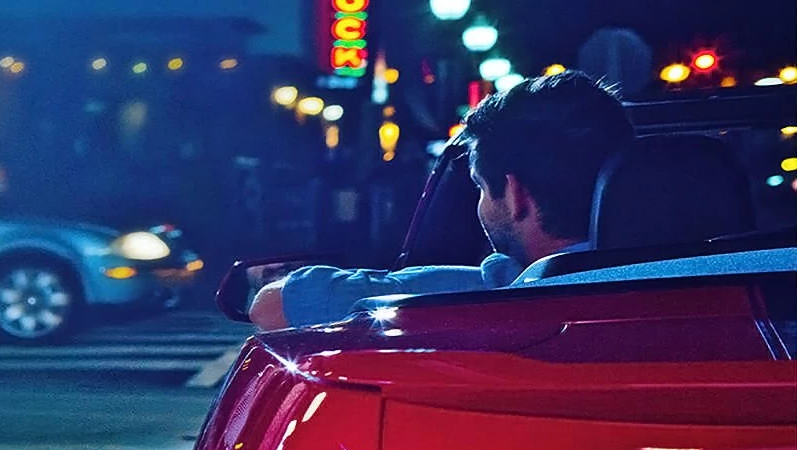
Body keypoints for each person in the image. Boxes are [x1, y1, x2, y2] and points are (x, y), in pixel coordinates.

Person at [250, 70, 633, 330]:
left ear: (515, 195)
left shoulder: (480, 300)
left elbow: (270, 308)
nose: (481, 205)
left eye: (481, 188)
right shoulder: (666, 288)